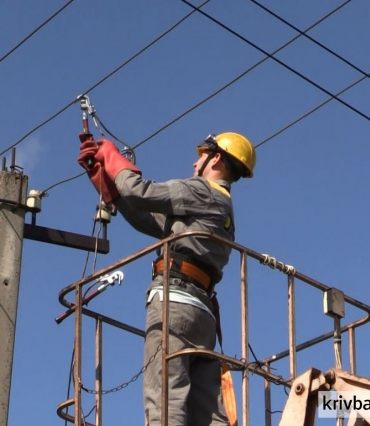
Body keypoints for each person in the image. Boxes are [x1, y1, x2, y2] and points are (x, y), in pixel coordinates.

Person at [77, 132, 256, 426]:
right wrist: (106, 184)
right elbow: (148, 220)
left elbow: (141, 192)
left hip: (173, 305)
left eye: (201, 155)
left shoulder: (202, 191)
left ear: (217, 158)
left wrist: (111, 158)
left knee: (166, 398)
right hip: (201, 316)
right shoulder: (222, 210)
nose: (194, 161)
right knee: (206, 411)